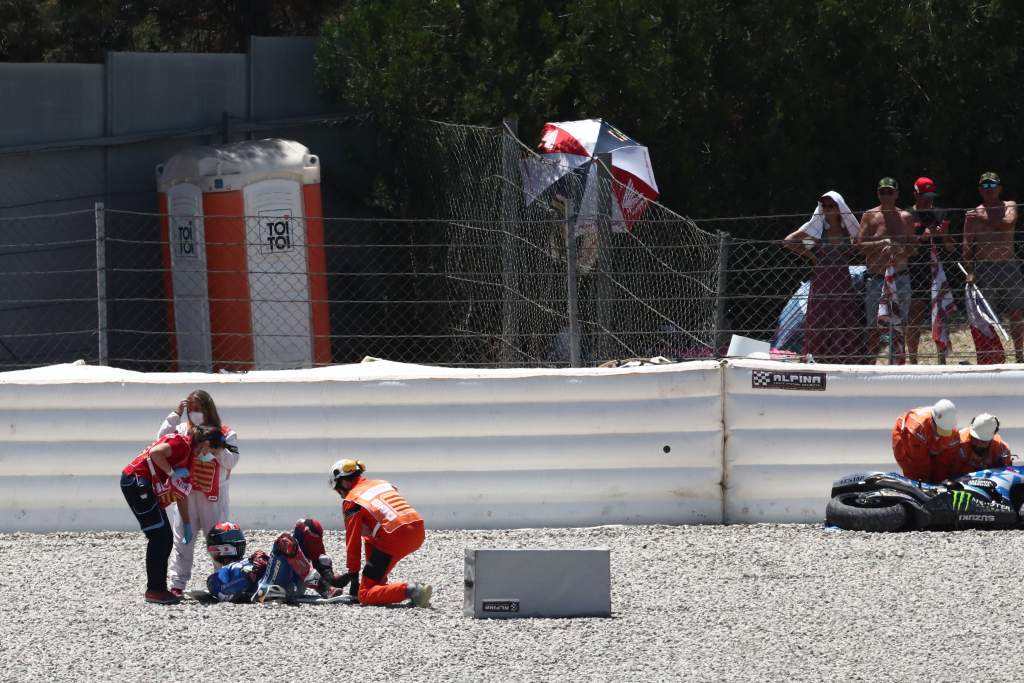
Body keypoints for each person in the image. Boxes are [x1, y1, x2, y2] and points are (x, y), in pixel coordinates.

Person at [120, 425, 226, 604]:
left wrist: (187, 525)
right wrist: (171, 473)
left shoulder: (189, 458)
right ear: (206, 443)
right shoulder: (183, 443)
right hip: (137, 482)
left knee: (162, 536)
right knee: (160, 537)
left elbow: (181, 492)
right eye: (213, 452)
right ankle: (155, 590)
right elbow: (155, 452)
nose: (211, 457)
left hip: (144, 486)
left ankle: (156, 589)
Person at [157, 390, 240, 596]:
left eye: (198, 409)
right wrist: (175, 415)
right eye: (191, 409)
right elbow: (161, 440)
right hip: (186, 493)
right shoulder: (183, 428)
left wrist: (216, 448)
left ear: (208, 409)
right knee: (184, 538)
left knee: (219, 538)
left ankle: (223, 582)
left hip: (214, 496)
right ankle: (177, 584)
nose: (194, 413)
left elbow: (232, 462)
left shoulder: (226, 432)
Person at [328, 458, 432, 607]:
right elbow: (374, 529)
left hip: (396, 537)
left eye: (338, 490)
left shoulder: (352, 499)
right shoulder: (382, 483)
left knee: (364, 594)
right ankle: (378, 585)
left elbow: (353, 540)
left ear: (343, 483)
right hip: (418, 528)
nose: (341, 495)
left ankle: (413, 590)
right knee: (371, 538)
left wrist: (353, 574)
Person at [783, 191, 864, 363]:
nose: (827, 209)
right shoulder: (817, 229)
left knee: (843, 317)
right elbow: (788, 241)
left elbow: (860, 243)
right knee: (819, 319)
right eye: (824, 206)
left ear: (839, 207)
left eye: (831, 206)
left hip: (842, 279)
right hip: (822, 279)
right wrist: (811, 256)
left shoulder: (846, 230)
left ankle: (842, 357)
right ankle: (817, 357)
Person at [206, 519, 350, 603]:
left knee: (306, 525)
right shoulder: (216, 576)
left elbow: (273, 567)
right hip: (266, 591)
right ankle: (323, 587)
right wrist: (251, 574)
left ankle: (327, 575)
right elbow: (225, 593)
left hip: (284, 581)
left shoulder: (247, 559)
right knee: (283, 541)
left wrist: (264, 561)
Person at [963, 171, 1023, 362]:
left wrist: (983, 218)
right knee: (987, 316)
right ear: (980, 190)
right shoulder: (972, 214)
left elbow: (1007, 223)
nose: (989, 190)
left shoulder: (1009, 206)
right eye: (985, 186)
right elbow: (967, 245)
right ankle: (992, 356)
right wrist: (970, 271)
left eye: (992, 186)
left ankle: (1019, 354)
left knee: (1016, 313)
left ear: (1000, 189)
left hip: (1009, 266)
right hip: (984, 268)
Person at [856, 177, 915, 363]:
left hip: (900, 278)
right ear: (878, 194)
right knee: (874, 326)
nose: (886, 195)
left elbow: (915, 248)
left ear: (897, 194)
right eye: (883, 192)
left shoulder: (906, 217)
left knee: (900, 325)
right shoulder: (869, 215)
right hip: (876, 279)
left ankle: (896, 365)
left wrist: (900, 249)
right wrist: (879, 244)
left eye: (890, 192)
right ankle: (871, 365)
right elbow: (858, 245)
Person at [905, 177, 957, 363]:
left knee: (941, 313)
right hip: (915, 271)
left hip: (939, 271)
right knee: (915, 316)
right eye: (923, 196)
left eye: (930, 196)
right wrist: (923, 238)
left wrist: (944, 235)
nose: (928, 200)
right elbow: (904, 249)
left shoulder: (941, 213)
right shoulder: (907, 216)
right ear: (915, 195)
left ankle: (941, 358)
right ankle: (912, 359)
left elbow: (951, 248)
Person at [891, 398, 960, 483]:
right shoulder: (917, 429)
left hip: (924, 434)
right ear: (933, 421)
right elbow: (919, 462)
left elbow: (944, 461)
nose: (942, 435)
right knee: (913, 469)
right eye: (940, 430)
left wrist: (941, 482)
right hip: (905, 436)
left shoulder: (952, 430)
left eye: (945, 431)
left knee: (940, 471)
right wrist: (924, 483)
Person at [935, 413, 1013, 481]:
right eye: (975, 439)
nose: (978, 444)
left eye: (983, 441)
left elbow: (1008, 475)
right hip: (954, 485)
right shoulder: (955, 442)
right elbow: (941, 467)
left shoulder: (1002, 450)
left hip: (986, 490)